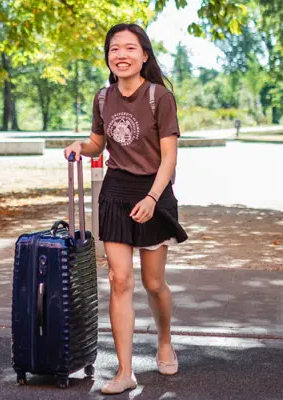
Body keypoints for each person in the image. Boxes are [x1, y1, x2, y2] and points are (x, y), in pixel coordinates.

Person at [63, 23, 189, 395]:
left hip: (154, 191)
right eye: (114, 48)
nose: (121, 54)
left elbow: (169, 159)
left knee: (153, 282)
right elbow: (97, 144)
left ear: (144, 55)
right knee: (119, 280)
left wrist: (152, 199)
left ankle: (164, 340)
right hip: (116, 192)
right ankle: (123, 371)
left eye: (130, 48)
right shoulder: (103, 98)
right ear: (107, 58)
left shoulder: (159, 98)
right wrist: (79, 146)